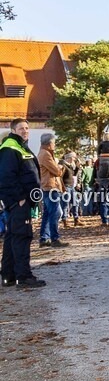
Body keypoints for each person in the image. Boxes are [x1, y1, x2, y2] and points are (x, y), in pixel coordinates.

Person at [0, 119, 45, 288]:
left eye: (27, 128)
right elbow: (6, 176)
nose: (25, 131)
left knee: (13, 236)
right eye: (21, 128)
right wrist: (20, 198)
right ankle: (23, 276)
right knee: (21, 237)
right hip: (19, 202)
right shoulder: (10, 148)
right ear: (13, 130)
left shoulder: (19, 146)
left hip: (22, 201)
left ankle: (8, 275)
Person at [38, 134, 67, 248]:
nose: (54, 145)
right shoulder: (45, 154)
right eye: (54, 143)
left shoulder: (44, 153)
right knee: (56, 212)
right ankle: (54, 238)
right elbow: (57, 171)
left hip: (48, 186)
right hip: (50, 187)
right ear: (49, 144)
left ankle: (44, 238)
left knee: (48, 213)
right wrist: (60, 167)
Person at [95, 133, 109, 226]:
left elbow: (95, 169)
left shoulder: (99, 160)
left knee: (103, 201)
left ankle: (104, 220)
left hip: (102, 180)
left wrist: (96, 180)